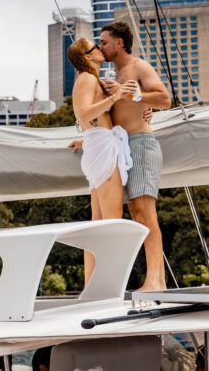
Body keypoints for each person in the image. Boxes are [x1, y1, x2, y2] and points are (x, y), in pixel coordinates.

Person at [99, 21, 171, 291]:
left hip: (141, 144)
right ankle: (154, 279)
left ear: (119, 43)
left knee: (145, 212)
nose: (100, 47)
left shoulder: (138, 67)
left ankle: (156, 281)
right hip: (123, 147)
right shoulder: (115, 77)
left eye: (104, 41)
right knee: (136, 213)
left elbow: (165, 99)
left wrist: (138, 95)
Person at [67, 37, 137, 280]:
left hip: (98, 145)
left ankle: (92, 285)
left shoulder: (90, 79)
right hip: (102, 148)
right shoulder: (86, 78)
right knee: (111, 224)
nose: (99, 48)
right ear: (87, 56)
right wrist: (113, 99)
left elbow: (92, 122)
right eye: (95, 46)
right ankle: (108, 286)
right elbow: (82, 114)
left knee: (98, 225)